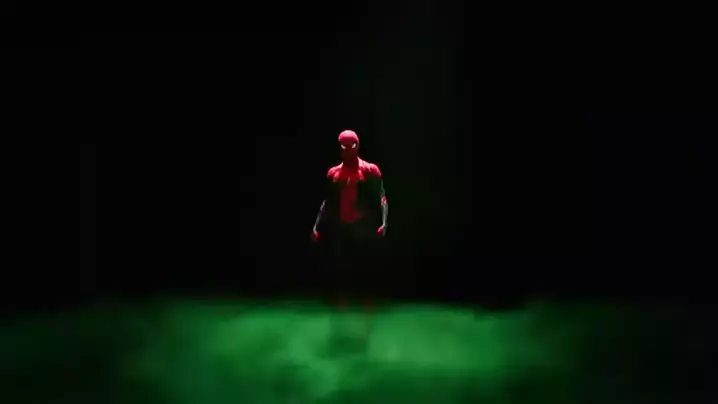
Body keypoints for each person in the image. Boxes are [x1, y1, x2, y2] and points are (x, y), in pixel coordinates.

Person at [311, 129, 388, 336]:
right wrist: (317, 226)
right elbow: (327, 203)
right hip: (342, 227)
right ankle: (342, 309)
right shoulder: (334, 173)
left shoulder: (370, 170)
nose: (347, 151)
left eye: (350, 146)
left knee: (364, 267)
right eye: (343, 147)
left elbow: (381, 198)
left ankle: (366, 308)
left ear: (357, 146)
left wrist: (383, 222)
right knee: (341, 267)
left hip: (361, 225)